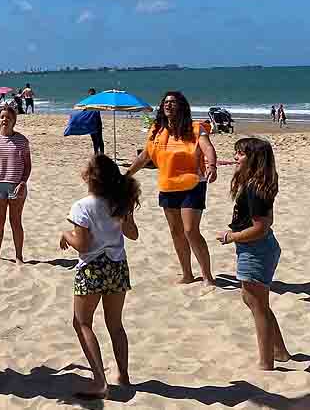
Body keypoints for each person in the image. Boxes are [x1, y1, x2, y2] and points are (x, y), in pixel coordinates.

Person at [60, 154, 140, 398]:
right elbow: (133, 234)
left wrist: (66, 234)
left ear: (89, 178)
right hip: (117, 266)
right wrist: (125, 213)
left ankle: (100, 381)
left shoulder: (82, 206)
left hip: (93, 267)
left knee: (82, 323)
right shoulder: (119, 202)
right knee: (115, 324)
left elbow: (83, 245)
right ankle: (123, 375)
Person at [126, 91, 218, 285]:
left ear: (181, 106)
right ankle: (187, 274)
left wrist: (211, 165)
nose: (168, 105)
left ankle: (207, 276)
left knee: (190, 230)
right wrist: (126, 175)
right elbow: (145, 156)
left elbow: (207, 147)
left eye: (173, 102)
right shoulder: (156, 130)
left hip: (193, 184)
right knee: (176, 232)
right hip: (168, 185)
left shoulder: (195, 128)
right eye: (166, 102)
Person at [216, 137, 289, 370]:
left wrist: (231, 237)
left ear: (254, 159)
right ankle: (279, 351)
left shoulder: (255, 189)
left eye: (241, 154)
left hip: (256, 249)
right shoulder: (259, 182)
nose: (236, 157)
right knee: (255, 300)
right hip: (261, 246)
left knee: (257, 304)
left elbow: (260, 227)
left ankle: (266, 362)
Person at [0, 105, 31, 262]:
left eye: (8, 118)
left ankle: (19, 256)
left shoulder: (22, 141)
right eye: (2, 117)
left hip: (16, 186)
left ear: (14, 121)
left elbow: (28, 165)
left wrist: (23, 182)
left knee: (15, 221)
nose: (5, 120)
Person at [86, 88, 105, 155]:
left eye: (93, 94)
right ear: (89, 94)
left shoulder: (96, 102)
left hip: (97, 122)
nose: (92, 95)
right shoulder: (88, 103)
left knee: (99, 139)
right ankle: (96, 153)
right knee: (94, 139)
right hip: (91, 122)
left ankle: (101, 153)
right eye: (91, 94)